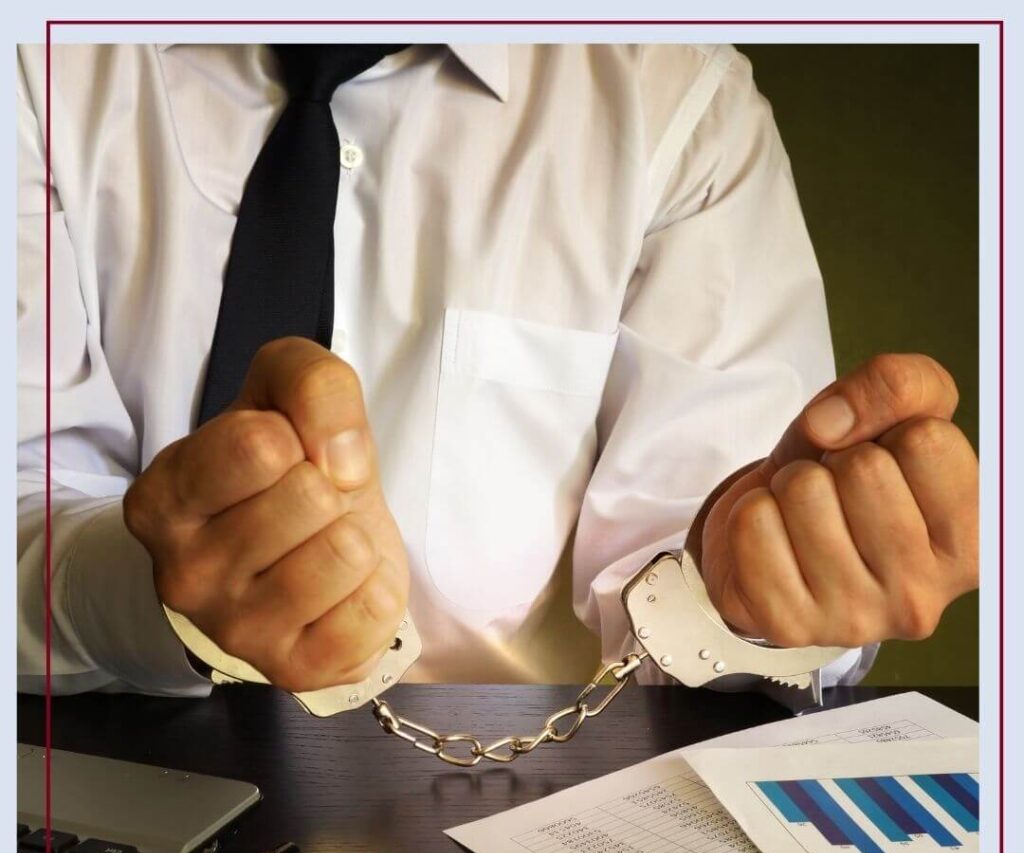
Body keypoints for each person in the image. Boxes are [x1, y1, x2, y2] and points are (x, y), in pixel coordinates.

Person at [16, 42, 978, 700]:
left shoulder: (672, 97)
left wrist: (763, 597)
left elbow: (695, 617)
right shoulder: (38, 61)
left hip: (516, 838)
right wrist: (156, 595)